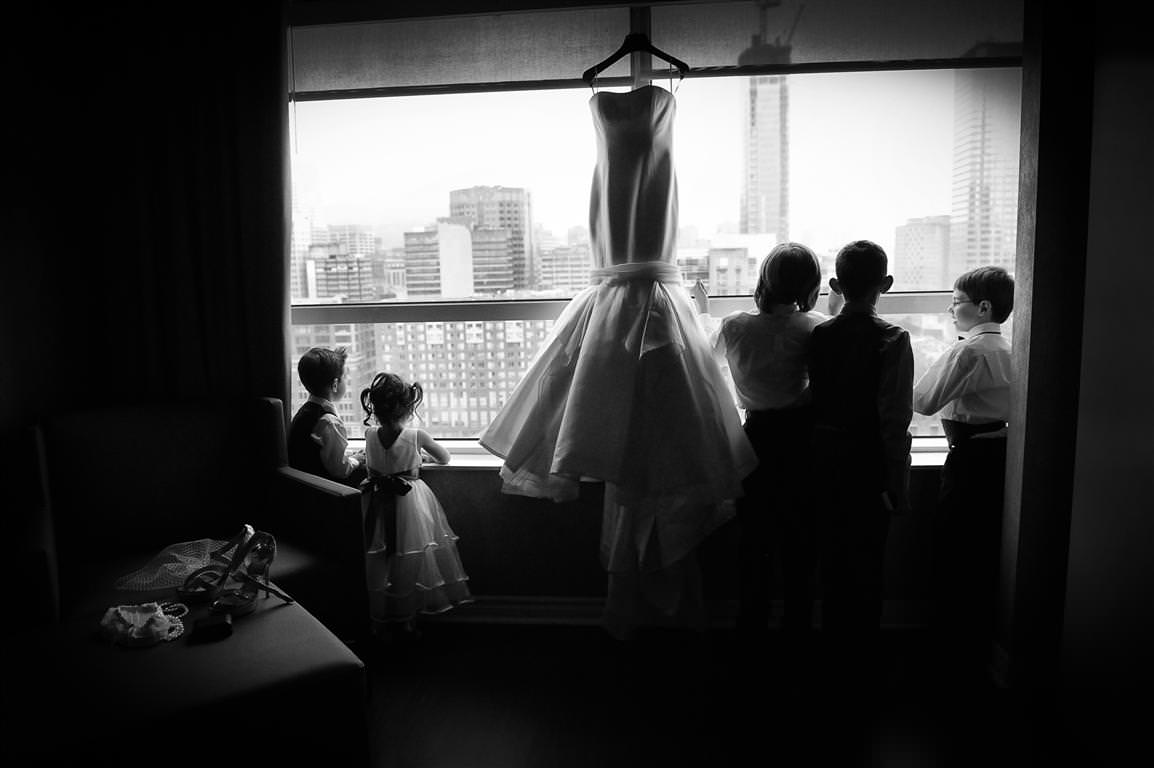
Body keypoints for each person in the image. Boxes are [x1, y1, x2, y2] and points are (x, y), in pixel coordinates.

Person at [479, 81, 755, 639]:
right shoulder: (638, 101)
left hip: (649, 282)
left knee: (660, 449)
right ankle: (645, 598)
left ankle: (658, 597)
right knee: (630, 443)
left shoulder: (658, 97)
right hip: (618, 283)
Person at [693, 243, 827, 647]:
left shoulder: (735, 326)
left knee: (755, 539)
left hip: (757, 440)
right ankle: (797, 632)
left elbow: (704, 359)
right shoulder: (815, 327)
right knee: (799, 542)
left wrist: (701, 310)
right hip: (803, 440)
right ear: (810, 286)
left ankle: (750, 630)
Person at [807, 240, 913, 682]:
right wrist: (899, 484)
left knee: (831, 561)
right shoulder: (893, 339)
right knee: (868, 563)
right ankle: (863, 660)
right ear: (885, 284)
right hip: (868, 463)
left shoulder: (820, 335)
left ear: (835, 285)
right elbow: (894, 419)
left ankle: (831, 656)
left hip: (825, 460)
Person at [913, 265, 1014, 677]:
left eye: (956, 302)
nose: (951, 309)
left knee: (954, 550)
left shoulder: (969, 352)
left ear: (983, 307)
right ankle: (974, 646)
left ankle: (950, 649)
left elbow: (924, 401)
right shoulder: (1011, 348)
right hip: (1002, 455)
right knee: (985, 553)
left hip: (970, 460)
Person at [360, 372, 472, 636]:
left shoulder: (370, 434)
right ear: (409, 407)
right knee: (408, 560)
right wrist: (420, 460)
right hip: (408, 501)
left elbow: (371, 462)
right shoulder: (416, 435)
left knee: (376, 560)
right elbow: (444, 458)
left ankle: (379, 618)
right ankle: (404, 619)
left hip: (374, 500)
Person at [288, 346, 365, 486]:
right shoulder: (329, 422)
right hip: (322, 492)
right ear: (335, 384)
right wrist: (357, 459)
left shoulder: (303, 412)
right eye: (344, 379)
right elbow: (340, 469)